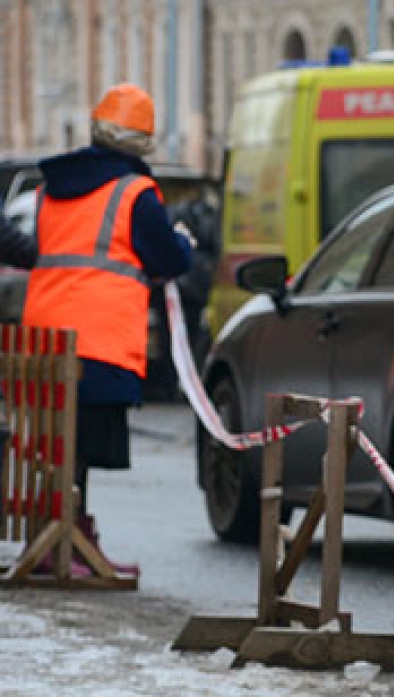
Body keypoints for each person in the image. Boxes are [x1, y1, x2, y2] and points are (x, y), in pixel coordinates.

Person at [23, 83, 192, 575]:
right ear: (143, 142)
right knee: (81, 446)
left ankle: (66, 538)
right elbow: (164, 257)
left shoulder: (50, 188)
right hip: (98, 336)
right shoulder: (134, 192)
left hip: (43, 334)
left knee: (57, 442)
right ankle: (66, 544)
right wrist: (182, 243)